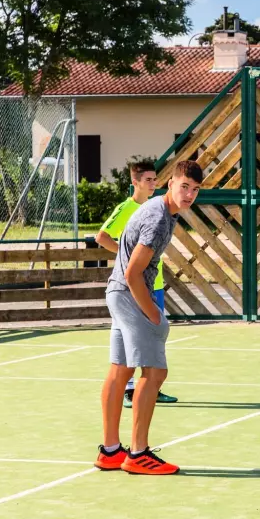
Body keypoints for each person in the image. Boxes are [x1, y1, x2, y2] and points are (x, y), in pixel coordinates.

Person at [93, 160, 203, 475]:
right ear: (171, 184)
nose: (189, 194)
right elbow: (133, 273)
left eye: (195, 190)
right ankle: (138, 454)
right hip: (130, 294)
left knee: (120, 370)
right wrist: (153, 312)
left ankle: (110, 451)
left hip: (118, 293)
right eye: (184, 186)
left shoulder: (163, 211)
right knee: (155, 372)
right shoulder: (158, 218)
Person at [95, 161, 177, 408]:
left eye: (155, 179)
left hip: (154, 283)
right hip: (132, 285)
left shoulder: (158, 208)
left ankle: (151, 385)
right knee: (129, 344)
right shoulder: (127, 208)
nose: (153, 183)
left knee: (154, 338)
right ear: (135, 183)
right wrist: (127, 256)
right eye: (148, 180)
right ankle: (131, 390)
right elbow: (102, 236)